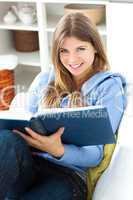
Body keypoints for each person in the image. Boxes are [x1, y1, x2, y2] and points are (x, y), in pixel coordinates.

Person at [0, 12, 127, 200]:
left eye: (80, 49)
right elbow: (26, 119)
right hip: (31, 161)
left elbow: (95, 155)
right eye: (64, 51)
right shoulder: (46, 79)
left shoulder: (109, 88)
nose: (72, 59)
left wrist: (58, 150)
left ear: (96, 48)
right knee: (7, 139)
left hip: (68, 176)